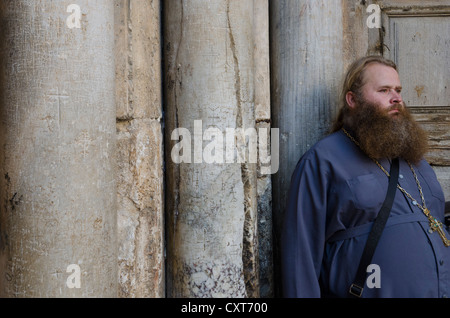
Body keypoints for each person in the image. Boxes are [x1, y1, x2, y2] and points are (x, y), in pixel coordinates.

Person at [281, 55, 450, 298]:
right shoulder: (323, 160)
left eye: (398, 90)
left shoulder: (418, 162)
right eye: (384, 90)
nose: (397, 98)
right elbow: (300, 255)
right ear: (353, 99)